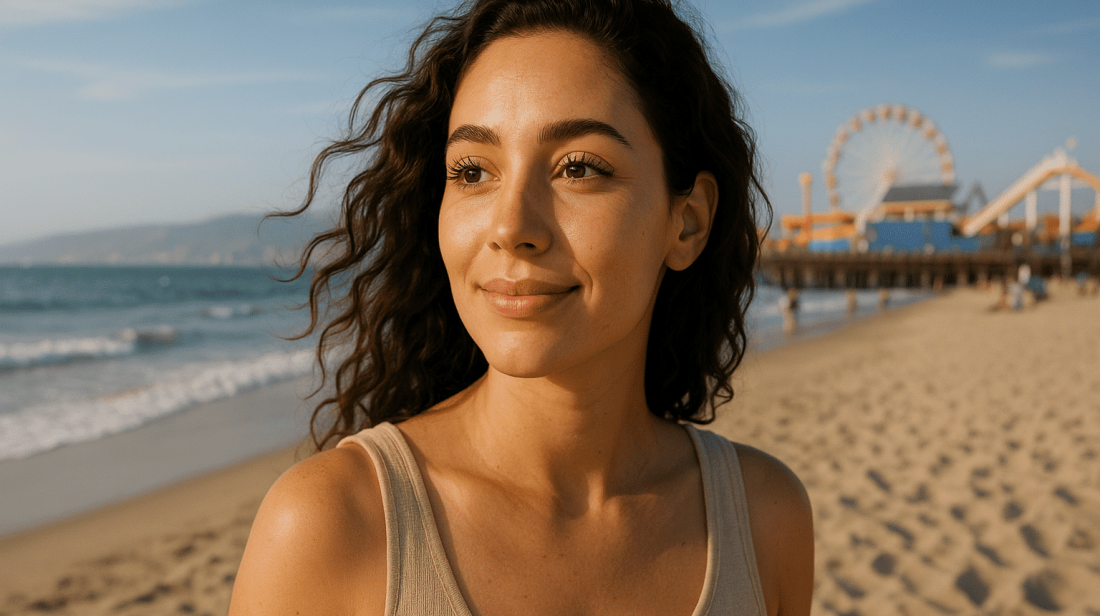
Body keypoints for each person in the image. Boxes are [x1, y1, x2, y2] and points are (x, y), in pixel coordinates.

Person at [230, 1, 813, 614]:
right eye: (474, 170)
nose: (511, 227)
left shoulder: (764, 517)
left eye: (578, 168)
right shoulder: (330, 528)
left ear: (686, 223)